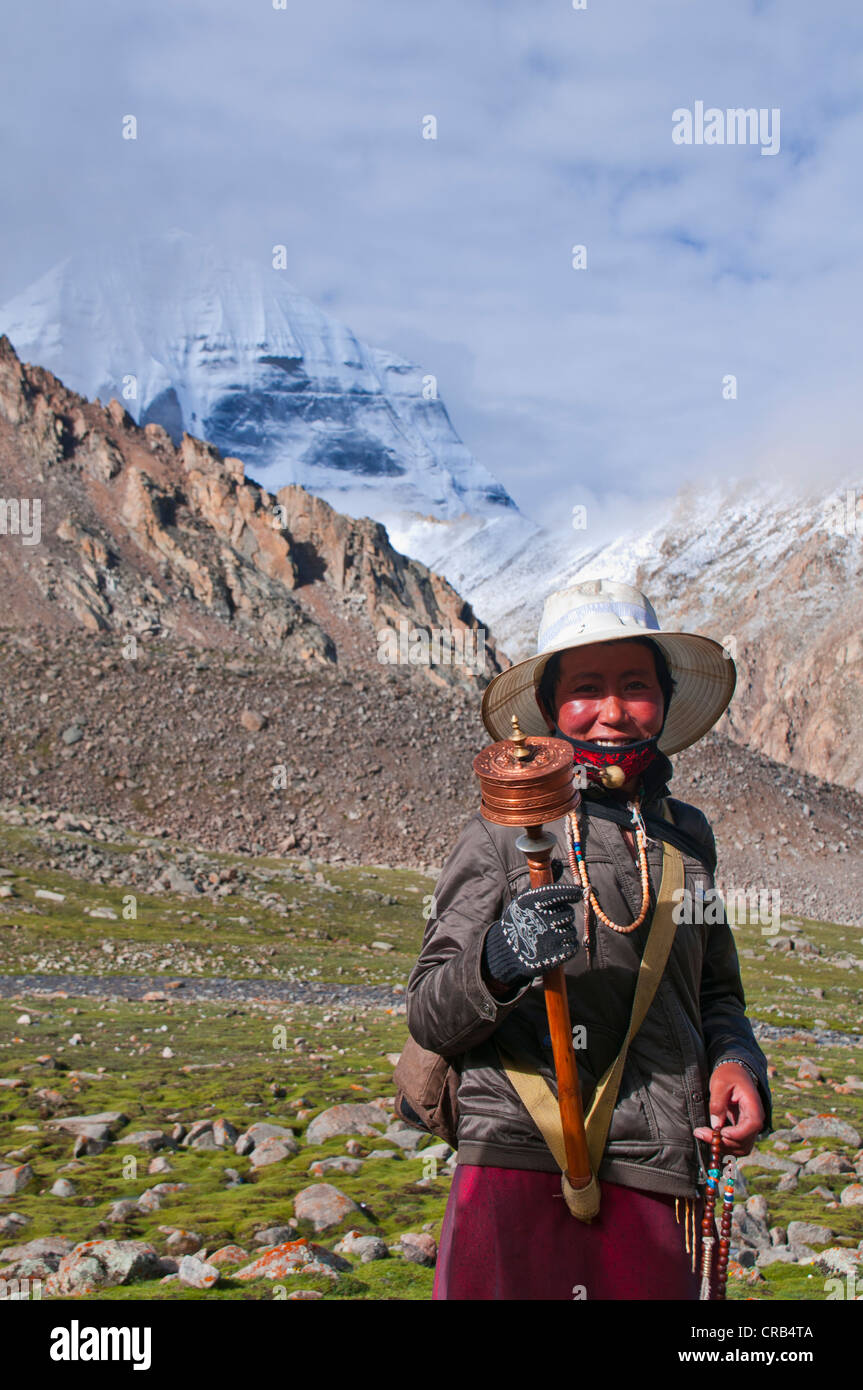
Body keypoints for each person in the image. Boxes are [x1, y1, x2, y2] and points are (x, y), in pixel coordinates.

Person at [405, 577, 772, 1300]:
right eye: (586, 688)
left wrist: (736, 1063)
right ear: (549, 709)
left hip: (661, 1163)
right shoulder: (502, 831)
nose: (612, 711)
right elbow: (429, 1012)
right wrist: (498, 960)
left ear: (663, 701)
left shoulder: (685, 835)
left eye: (635, 685)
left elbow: (715, 991)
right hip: (515, 1158)